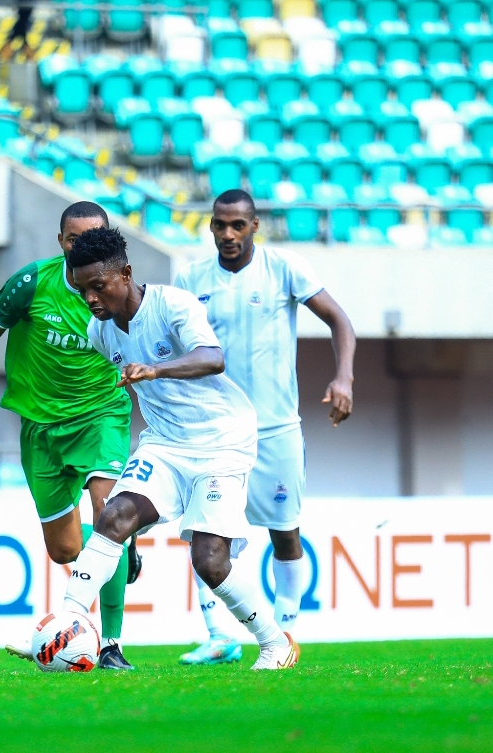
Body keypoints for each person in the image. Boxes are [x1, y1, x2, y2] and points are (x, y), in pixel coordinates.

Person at [58, 226, 299, 671]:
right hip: (166, 443)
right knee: (112, 517)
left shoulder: (173, 304)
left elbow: (213, 358)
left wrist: (156, 369)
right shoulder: (101, 331)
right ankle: (67, 621)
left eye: (98, 287)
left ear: (125, 274)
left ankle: (275, 643)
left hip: (221, 441)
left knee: (209, 562)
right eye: (82, 290)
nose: (90, 299)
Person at [0, 202, 140, 670]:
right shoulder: (31, 284)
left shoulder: (117, 288)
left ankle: (111, 645)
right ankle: (120, 545)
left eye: (94, 237)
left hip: (100, 415)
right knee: (64, 549)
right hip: (40, 429)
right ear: (61, 241)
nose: (84, 246)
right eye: (75, 238)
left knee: (109, 513)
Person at [172, 189, 355, 665]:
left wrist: (343, 377)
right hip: (215, 428)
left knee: (285, 533)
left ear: (255, 226)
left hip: (275, 428)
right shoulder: (190, 277)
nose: (227, 234)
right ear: (210, 227)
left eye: (237, 225)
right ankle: (218, 635)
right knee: (204, 534)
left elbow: (340, 321)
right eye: (219, 225)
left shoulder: (284, 268)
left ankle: (286, 631)